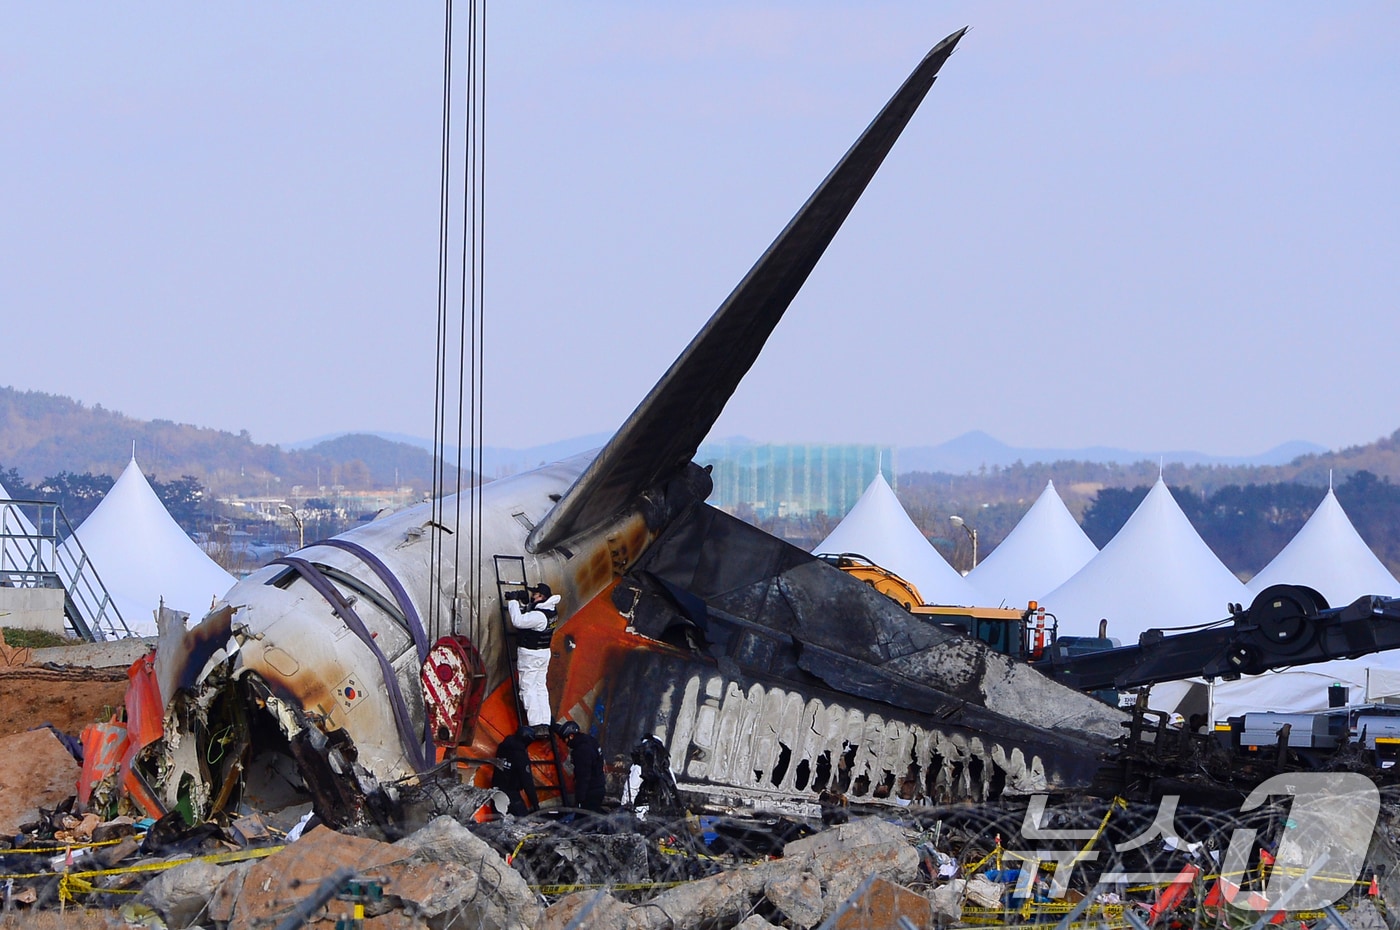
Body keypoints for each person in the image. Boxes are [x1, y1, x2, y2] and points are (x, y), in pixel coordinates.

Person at [507, 583, 562, 729]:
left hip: (530, 654)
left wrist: (513, 601)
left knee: (527, 688)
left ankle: (536, 724)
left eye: (535, 595)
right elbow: (533, 614)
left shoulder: (539, 616)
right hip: (543, 653)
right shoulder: (551, 611)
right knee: (540, 687)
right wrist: (526, 604)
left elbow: (518, 621)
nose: (532, 596)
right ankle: (545, 720)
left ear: (541, 597)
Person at [557, 721, 605, 813]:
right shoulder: (590, 740)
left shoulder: (581, 751)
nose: (565, 743)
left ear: (571, 736)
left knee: (583, 822)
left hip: (590, 792)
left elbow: (583, 776)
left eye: (565, 739)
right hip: (599, 787)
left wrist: (580, 799)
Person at [491, 731, 538, 816]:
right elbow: (527, 783)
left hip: (495, 792)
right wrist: (535, 804)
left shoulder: (502, 747)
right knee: (524, 822)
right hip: (511, 794)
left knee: (499, 823)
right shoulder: (521, 756)